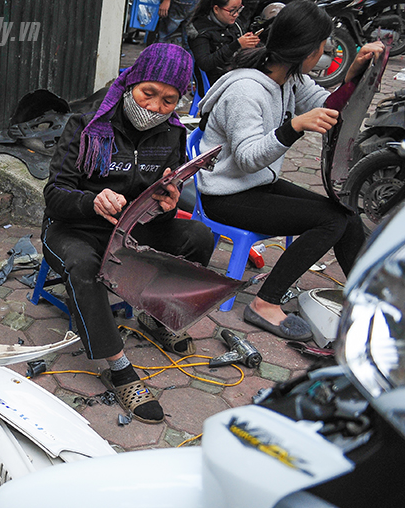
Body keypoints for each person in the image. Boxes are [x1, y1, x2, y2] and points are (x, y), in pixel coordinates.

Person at [41, 43, 215, 424]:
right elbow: (54, 196)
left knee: (199, 237)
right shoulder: (86, 124)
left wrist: (167, 206)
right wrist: (92, 201)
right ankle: (118, 368)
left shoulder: (171, 135)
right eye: (147, 93)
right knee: (83, 264)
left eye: (168, 101)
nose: (154, 107)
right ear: (132, 81)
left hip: (132, 230)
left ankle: (157, 317)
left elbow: (160, 206)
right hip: (75, 228)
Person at [196, 0, 383, 341]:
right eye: (323, 47)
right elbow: (248, 158)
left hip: (256, 185)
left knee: (345, 211)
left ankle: (367, 298)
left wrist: (354, 74)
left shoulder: (289, 78)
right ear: (308, 51)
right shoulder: (245, 91)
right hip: (226, 195)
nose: (324, 54)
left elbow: (328, 106)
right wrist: (294, 126)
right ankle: (264, 303)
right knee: (330, 221)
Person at [187, 0, 260, 94]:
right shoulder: (200, 31)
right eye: (232, 10)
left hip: (237, 72)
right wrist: (236, 45)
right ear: (216, 9)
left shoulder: (235, 24)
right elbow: (205, 63)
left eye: (239, 9)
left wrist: (249, 43)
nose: (236, 14)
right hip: (216, 83)